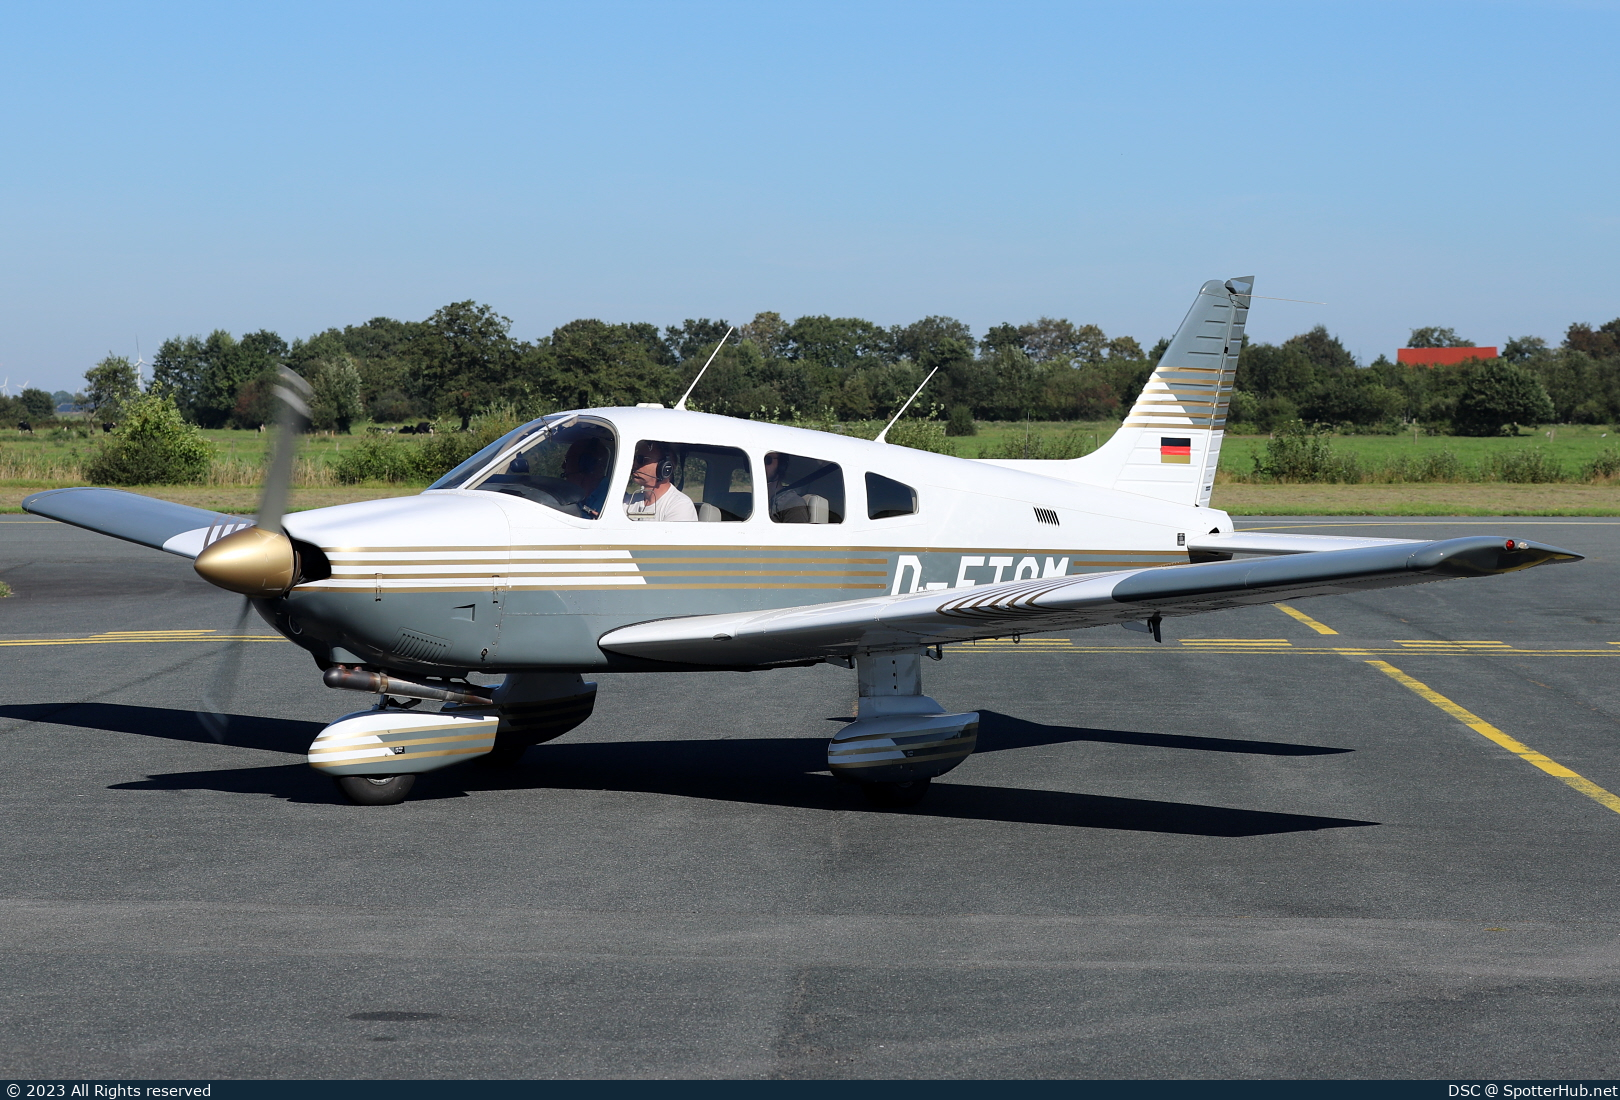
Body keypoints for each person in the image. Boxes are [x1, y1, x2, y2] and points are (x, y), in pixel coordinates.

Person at [625, 440, 697, 521]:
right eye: (634, 459)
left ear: (665, 467)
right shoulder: (629, 501)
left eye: (641, 460)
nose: (634, 464)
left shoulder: (680, 505)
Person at [562, 437, 611, 519]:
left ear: (587, 464)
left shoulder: (614, 501)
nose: (563, 466)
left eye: (568, 460)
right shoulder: (574, 495)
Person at [764, 451, 810, 523]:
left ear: (781, 466)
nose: (761, 465)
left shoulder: (792, 503)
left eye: (767, 460)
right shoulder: (749, 500)